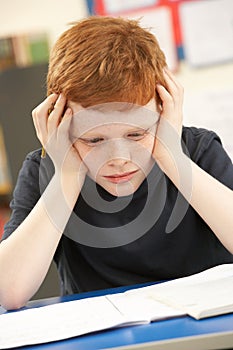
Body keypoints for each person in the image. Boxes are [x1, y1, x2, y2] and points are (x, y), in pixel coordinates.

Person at [0, 16, 232, 311]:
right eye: (93, 140)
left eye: (136, 134)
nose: (118, 159)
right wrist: (68, 176)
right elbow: (9, 291)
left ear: (165, 108)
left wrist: (171, 156)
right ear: (58, 123)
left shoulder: (197, 150)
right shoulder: (46, 169)